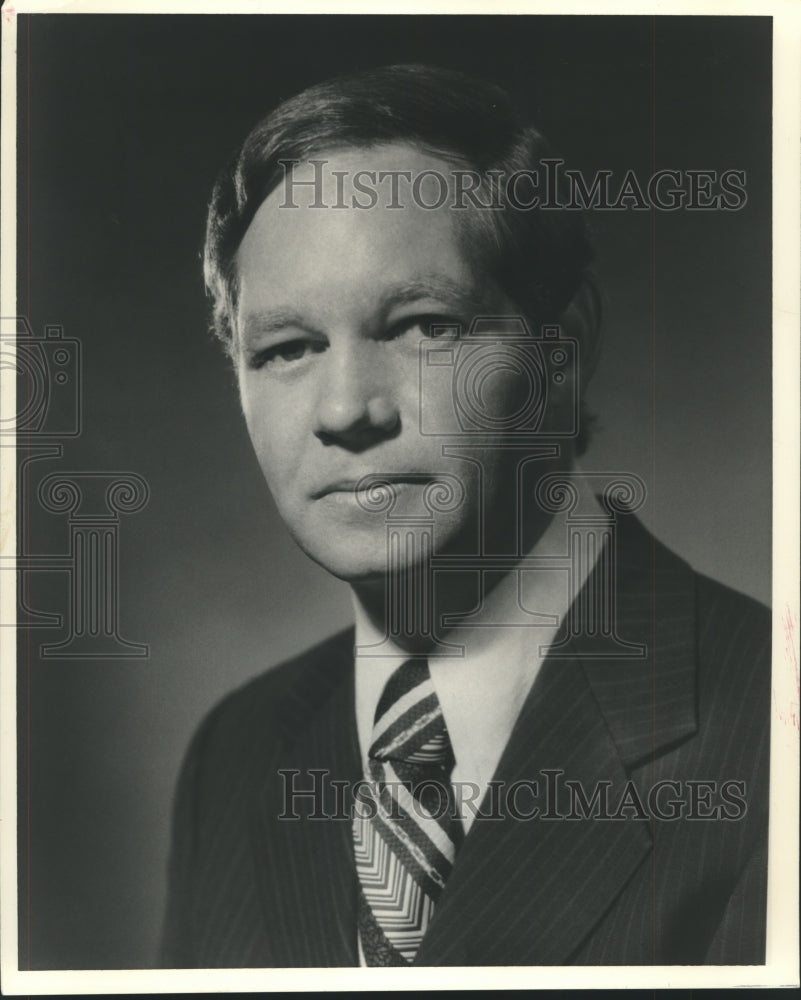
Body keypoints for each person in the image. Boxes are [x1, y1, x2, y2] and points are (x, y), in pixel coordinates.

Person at [159, 64, 770, 968]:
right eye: (286, 348)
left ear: (563, 349)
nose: (343, 411)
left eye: (423, 326)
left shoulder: (768, 727)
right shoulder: (234, 754)